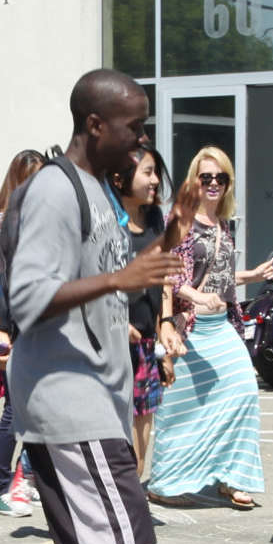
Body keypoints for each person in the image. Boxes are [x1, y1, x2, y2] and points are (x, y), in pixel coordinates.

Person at [9, 68, 189, 544]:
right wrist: (119, 279)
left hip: (94, 397)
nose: (141, 140)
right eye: (133, 126)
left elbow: (121, 275)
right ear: (94, 125)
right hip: (67, 400)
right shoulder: (56, 191)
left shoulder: (91, 189)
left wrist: (168, 241)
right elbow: (28, 297)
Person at [150, 146, 273, 509]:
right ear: (194, 181)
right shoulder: (182, 221)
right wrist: (194, 297)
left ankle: (233, 477)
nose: (213, 184)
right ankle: (164, 481)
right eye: (206, 177)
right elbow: (170, 277)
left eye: (221, 178)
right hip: (190, 328)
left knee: (244, 393)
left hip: (221, 327)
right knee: (179, 407)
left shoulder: (223, 224)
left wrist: (248, 276)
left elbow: (218, 279)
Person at [0, 149, 45, 518]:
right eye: (31, 179)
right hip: (13, 327)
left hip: (36, 324)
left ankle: (24, 477)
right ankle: (0, 484)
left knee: (37, 407)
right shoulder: (2, 223)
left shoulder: (38, 220)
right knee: (14, 410)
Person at [110, 146, 174, 478]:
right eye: (147, 172)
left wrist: (166, 323)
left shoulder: (154, 218)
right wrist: (116, 322)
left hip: (146, 341)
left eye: (155, 173)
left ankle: (133, 496)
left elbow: (163, 276)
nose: (155, 180)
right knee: (119, 436)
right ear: (121, 178)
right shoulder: (106, 222)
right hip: (112, 344)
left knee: (143, 427)